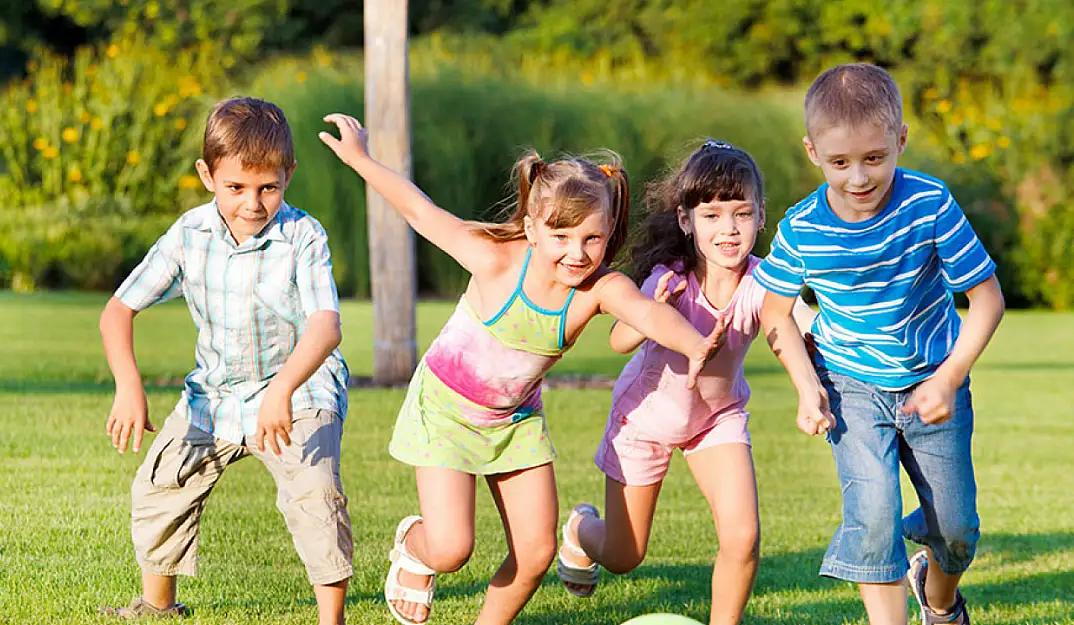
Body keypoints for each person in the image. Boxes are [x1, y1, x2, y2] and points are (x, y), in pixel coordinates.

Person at [319, 114, 726, 625]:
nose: (577, 253)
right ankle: (416, 548)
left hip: (514, 422)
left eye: (592, 239)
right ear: (532, 228)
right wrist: (360, 159)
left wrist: (695, 344)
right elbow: (420, 212)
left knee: (534, 555)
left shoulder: (597, 289)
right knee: (451, 549)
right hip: (445, 410)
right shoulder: (495, 260)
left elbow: (645, 313)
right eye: (561, 236)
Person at [755, 63, 1004, 625]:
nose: (859, 177)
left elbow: (986, 300)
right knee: (873, 518)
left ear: (901, 140)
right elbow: (775, 311)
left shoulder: (930, 204)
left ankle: (938, 603)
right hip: (849, 385)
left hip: (932, 379)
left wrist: (950, 376)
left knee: (957, 530)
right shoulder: (803, 228)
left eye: (875, 158)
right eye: (840, 162)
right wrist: (805, 387)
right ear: (812, 151)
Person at [99, 97, 353, 625]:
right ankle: (158, 607)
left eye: (269, 187)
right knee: (161, 483)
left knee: (315, 495)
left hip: (299, 390)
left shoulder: (304, 237)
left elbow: (325, 327)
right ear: (207, 174)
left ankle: (333, 620)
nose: (253, 203)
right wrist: (128, 384)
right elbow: (118, 311)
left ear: (289, 175)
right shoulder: (189, 235)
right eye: (236, 187)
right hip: (214, 395)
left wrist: (281, 392)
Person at [557, 141, 815, 625]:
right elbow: (619, 340)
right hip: (645, 421)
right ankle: (579, 529)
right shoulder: (667, 279)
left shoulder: (763, 282)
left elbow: (795, 326)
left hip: (715, 421)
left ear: (761, 217)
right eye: (713, 215)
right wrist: (654, 306)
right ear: (686, 221)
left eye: (741, 213)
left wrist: (815, 379)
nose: (729, 229)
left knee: (742, 537)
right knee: (623, 555)